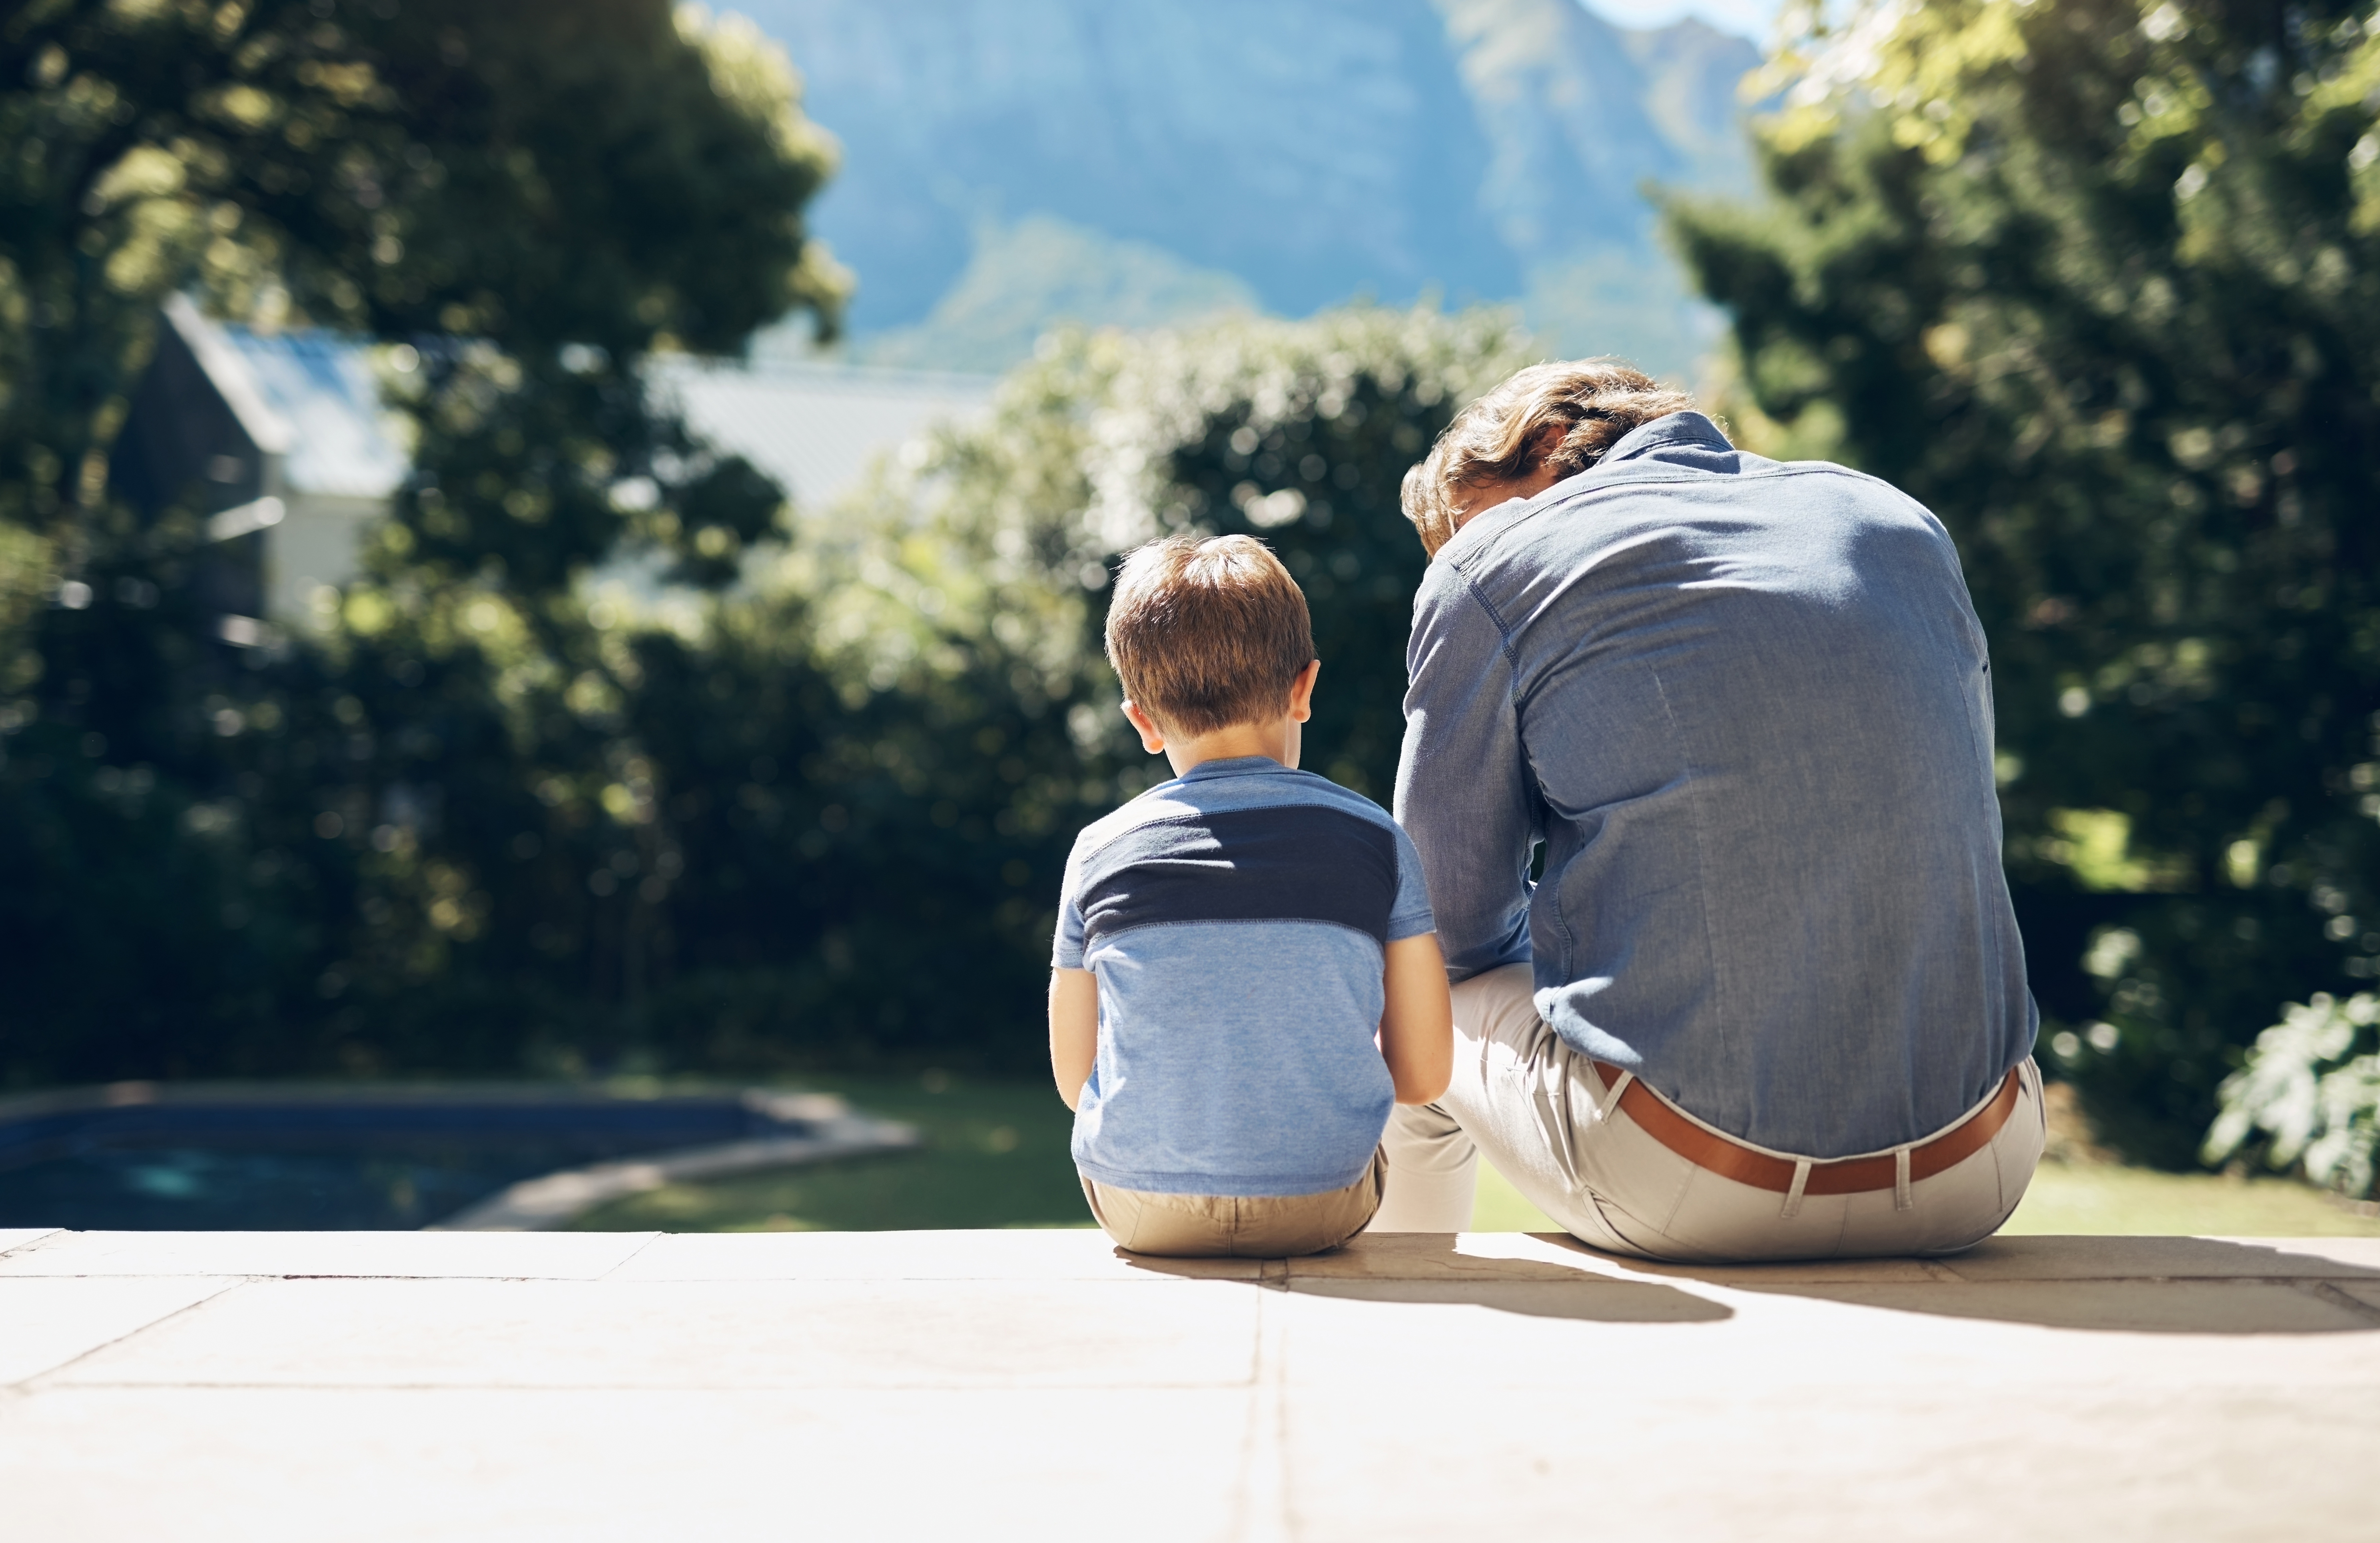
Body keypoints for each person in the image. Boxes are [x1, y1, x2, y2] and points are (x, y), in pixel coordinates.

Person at [1374, 360, 2043, 1262]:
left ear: (1543, 442)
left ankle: (1400, 1328)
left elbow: (1444, 923)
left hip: (1695, 1186)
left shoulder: (1487, 568)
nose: (1472, 549)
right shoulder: (1897, 522)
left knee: (1413, 995)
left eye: (1474, 523)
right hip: (1981, 1166)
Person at [1049, 534, 1454, 1258]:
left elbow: (1075, 1080)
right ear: (1304, 687)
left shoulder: (1098, 851)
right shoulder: (1376, 839)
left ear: (1140, 720)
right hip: (1324, 1205)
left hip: (1141, 1209)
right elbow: (1423, 1077)